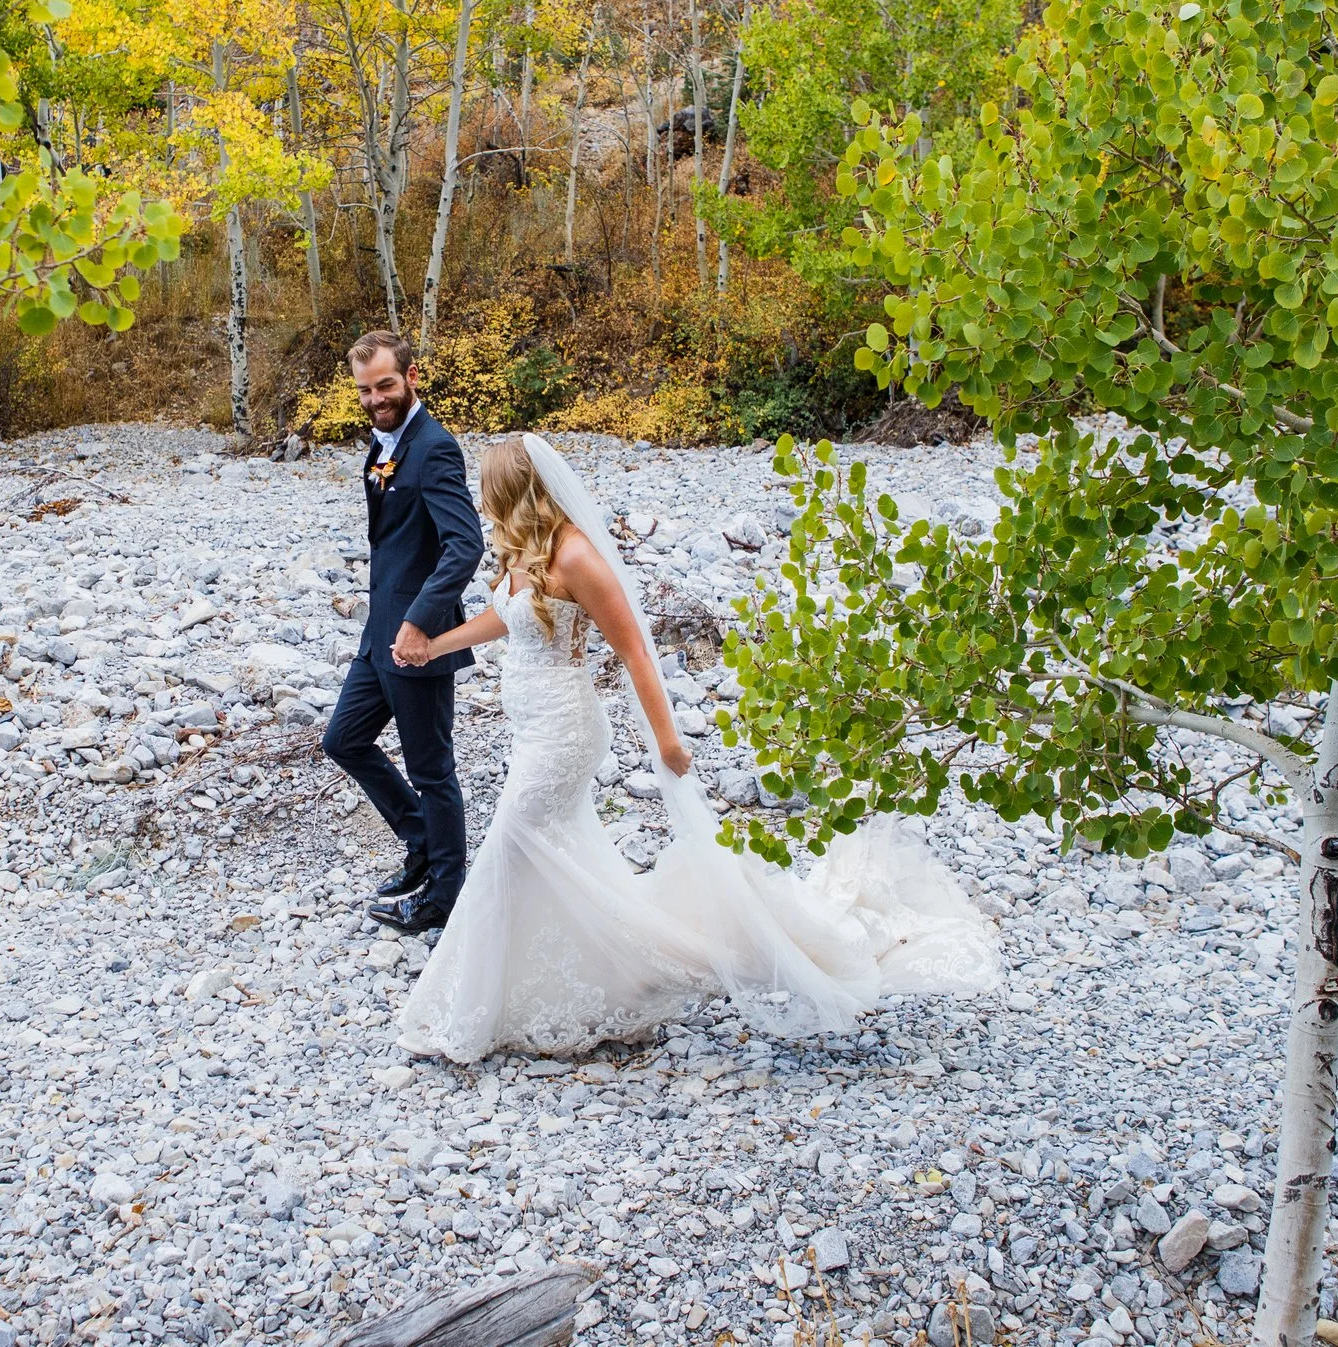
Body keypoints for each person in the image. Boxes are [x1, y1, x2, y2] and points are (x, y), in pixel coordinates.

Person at [390, 435, 1002, 1062]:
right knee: (559, 863)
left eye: (490, 488)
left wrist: (667, 742)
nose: (482, 500)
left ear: (515, 490)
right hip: (532, 733)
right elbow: (507, 616)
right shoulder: (525, 550)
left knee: (506, 848)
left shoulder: (576, 556)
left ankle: (468, 1008)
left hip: (563, 735)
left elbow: (635, 651)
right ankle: (577, 982)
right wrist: (434, 646)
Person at [318, 331, 486, 935]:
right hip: (377, 633)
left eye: (385, 385)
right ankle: (421, 842)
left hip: (418, 639)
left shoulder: (435, 448)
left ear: (411, 377)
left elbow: (465, 545)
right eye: (364, 390)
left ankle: (445, 893)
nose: (374, 399)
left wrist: (419, 621)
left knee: (432, 769)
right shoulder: (384, 442)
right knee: (344, 740)